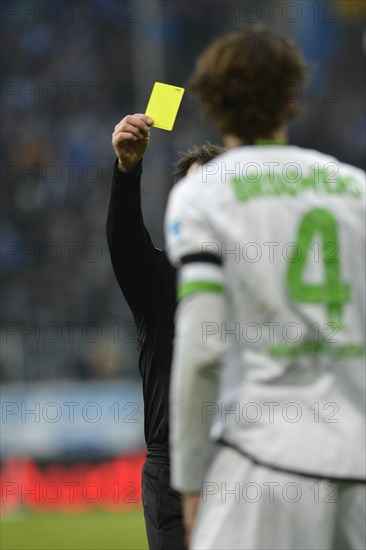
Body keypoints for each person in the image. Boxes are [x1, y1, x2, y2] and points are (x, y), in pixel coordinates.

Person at [165, 26, 365, 550]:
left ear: (212, 104)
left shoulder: (202, 194)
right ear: (292, 98)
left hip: (264, 467)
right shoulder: (353, 186)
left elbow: (201, 350)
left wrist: (189, 483)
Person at [107, 114, 224, 550]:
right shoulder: (157, 277)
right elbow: (124, 242)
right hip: (172, 472)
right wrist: (126, 171)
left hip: (242, 468)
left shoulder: (257, 283)